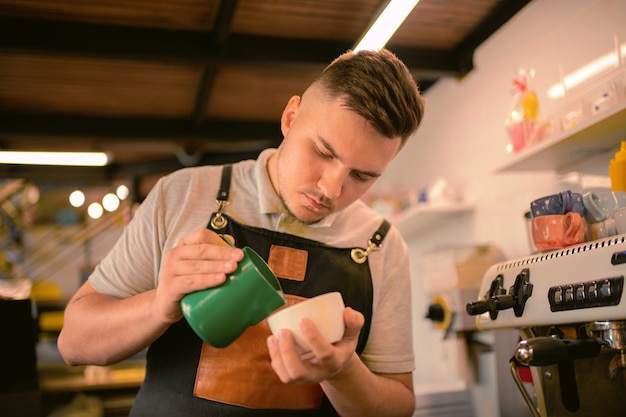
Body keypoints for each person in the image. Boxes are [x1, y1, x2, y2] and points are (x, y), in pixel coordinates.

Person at [58, 48, 425, 417]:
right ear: (290, 117)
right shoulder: (183, 195)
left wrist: (344, 373)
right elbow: (74, 343)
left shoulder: (382, 245)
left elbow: (398, 407)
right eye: (323, 152)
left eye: (361, 176)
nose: (330, 189)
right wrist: (158, 306)